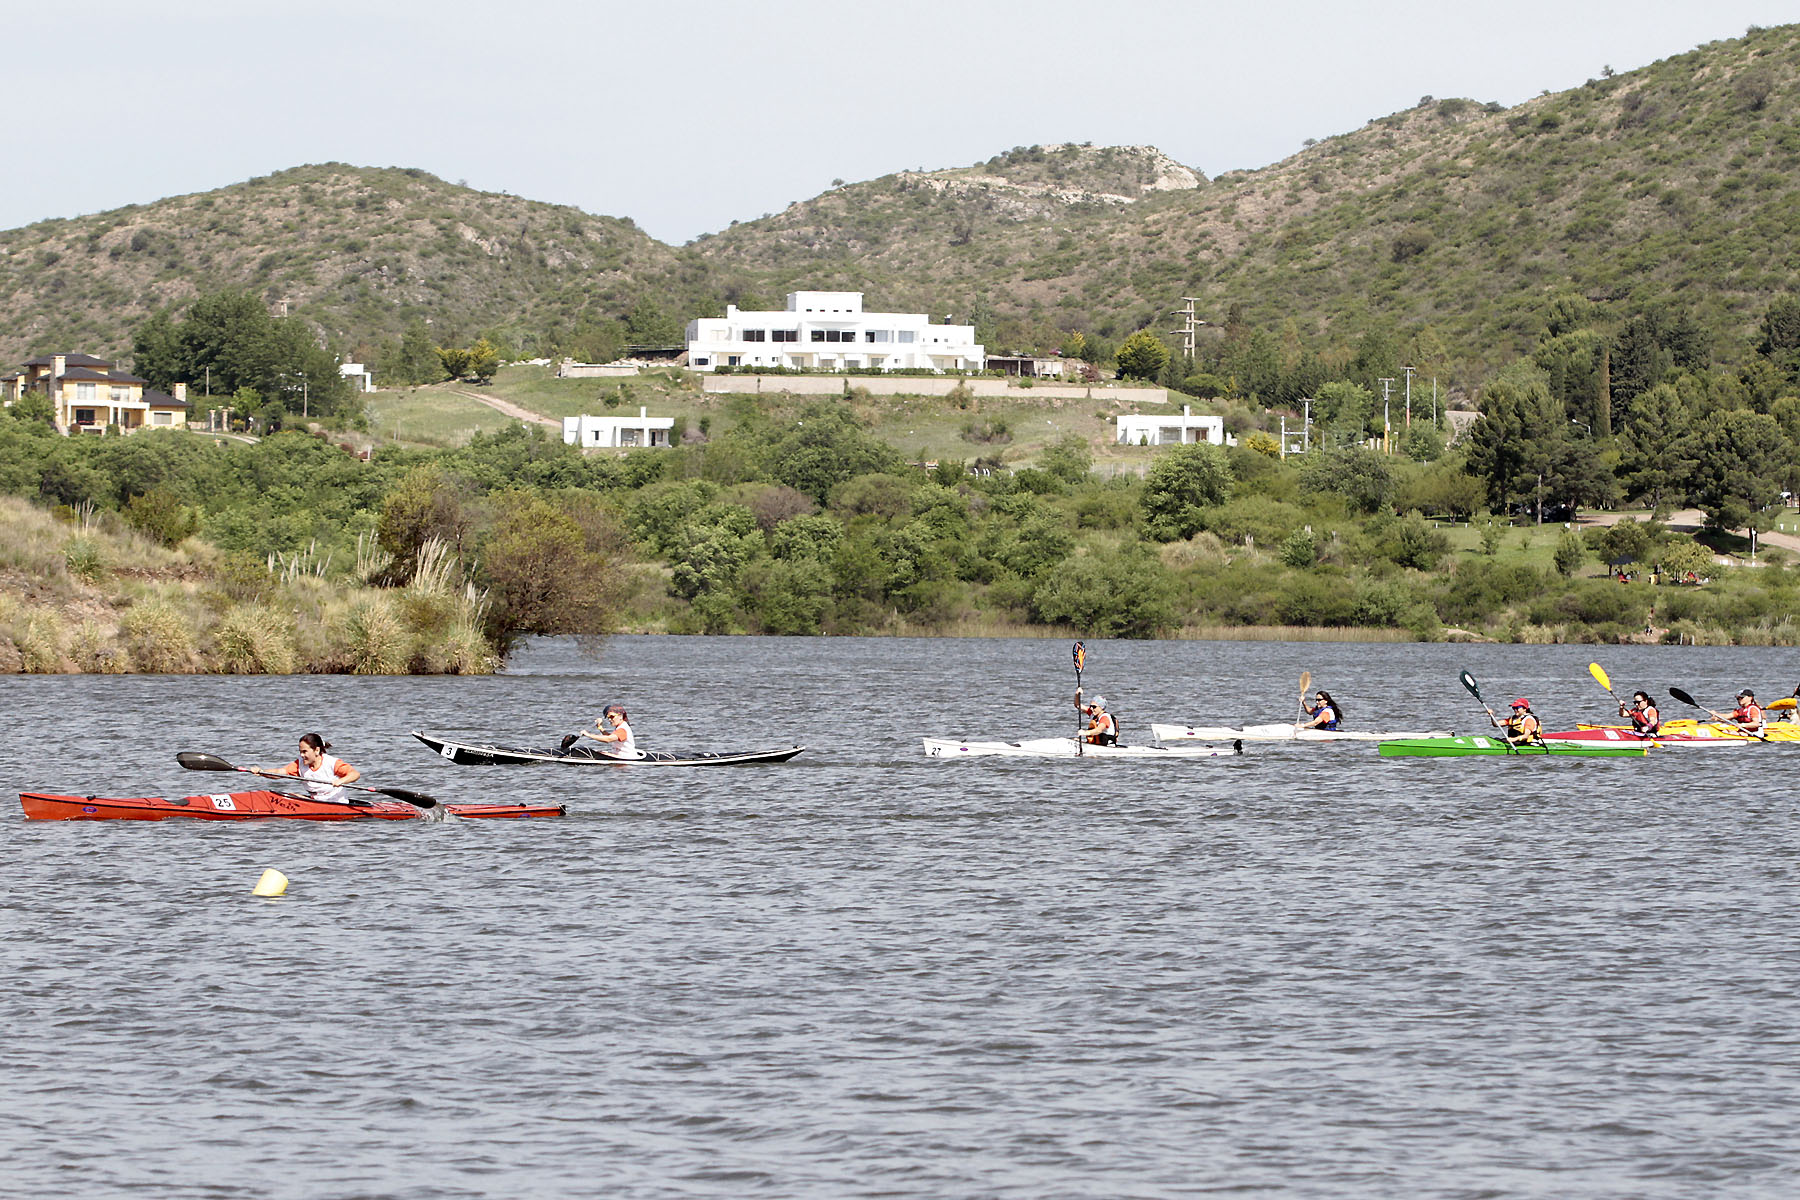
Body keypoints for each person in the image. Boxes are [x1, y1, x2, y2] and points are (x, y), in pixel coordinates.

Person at [265, 733, 361, 804]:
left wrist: (341, 780)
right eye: (300, 752)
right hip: (315, 802)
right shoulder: (300, 764)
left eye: (305, 752)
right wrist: (261, 772)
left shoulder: (332, 763)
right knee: (290, 796)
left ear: (317, 750)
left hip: (337, 803)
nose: (301, 755)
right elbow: (280, 772)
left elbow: (355, 774)